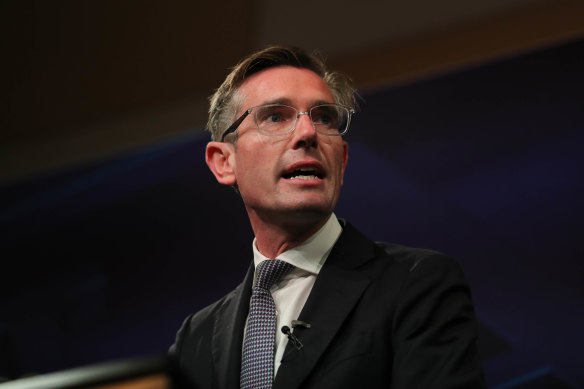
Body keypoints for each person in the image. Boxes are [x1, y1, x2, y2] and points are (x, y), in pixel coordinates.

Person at [170, 45, 485, 388]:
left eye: (324, 118)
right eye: (275, 116)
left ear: (343, 160)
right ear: (224, 162)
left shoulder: (416, 283)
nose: (308, 133)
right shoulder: (194, 338)